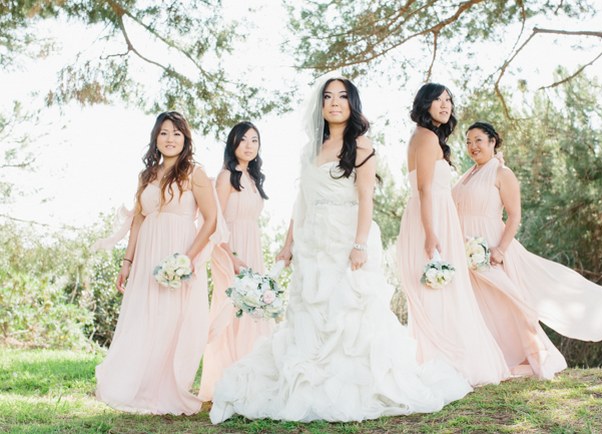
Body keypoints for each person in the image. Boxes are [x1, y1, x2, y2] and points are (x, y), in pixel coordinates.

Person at [209, 77, 471, 424]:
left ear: (352, 104)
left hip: (347, 236)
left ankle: (350, 382)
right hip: (312, 238)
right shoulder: (310, 149)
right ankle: (308, 377)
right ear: (320, 106)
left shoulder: (361, 145)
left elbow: (366, 198)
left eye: (342, 96)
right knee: (308, 310)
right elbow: (301, 200)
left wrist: (360, 243)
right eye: (328, 96)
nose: (334, 102)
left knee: (347, 311)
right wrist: (288, 245)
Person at [452, 121, 602, 378]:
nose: (472, 146)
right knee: (480, 304)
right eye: (468, 142)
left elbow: (514, 216)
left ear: (492, 142)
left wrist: (500, 250)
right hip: (466, 248)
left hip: (491, 246)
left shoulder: (502, 173)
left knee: (510, 303)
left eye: (478, 140)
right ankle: (488, 359)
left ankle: (533, 355)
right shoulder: (467, 175)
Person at [94, 111, 218, 415]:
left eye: (176, 133)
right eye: (164, 133)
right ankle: (134, 383)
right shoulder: (147, 175)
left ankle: (162, 388)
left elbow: (211, 219)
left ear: (185, 138)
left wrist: (187, 259)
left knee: (170, 319)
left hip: (178, 253)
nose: (170, 139)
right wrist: (128, 260)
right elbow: (138, 219)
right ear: (156, 138)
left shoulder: (195, 173)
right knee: (142, 317)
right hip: (147, 253)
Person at [396, 83, 511, 386]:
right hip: (430, 218)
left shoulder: (431, 138)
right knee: (437, 289)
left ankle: (445, 360)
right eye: (438, 100)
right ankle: (440, 361)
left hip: (438, 215)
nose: (445, 105)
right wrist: (431, 232)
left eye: (448, 100)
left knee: (445, 290)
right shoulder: (425, 137)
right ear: (425, 104)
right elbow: (423, 188)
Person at [198, 121, 274, 401]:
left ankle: (253, 380)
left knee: (254, 311)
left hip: (251, 247)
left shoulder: (254, 178)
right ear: (233, 144)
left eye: (254, 140)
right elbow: (216, 220)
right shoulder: (226, 176)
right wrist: (232, 258)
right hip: (228, 249)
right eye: (243, 140)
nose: (249, 145)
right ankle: (226, 380)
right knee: (230, 310)